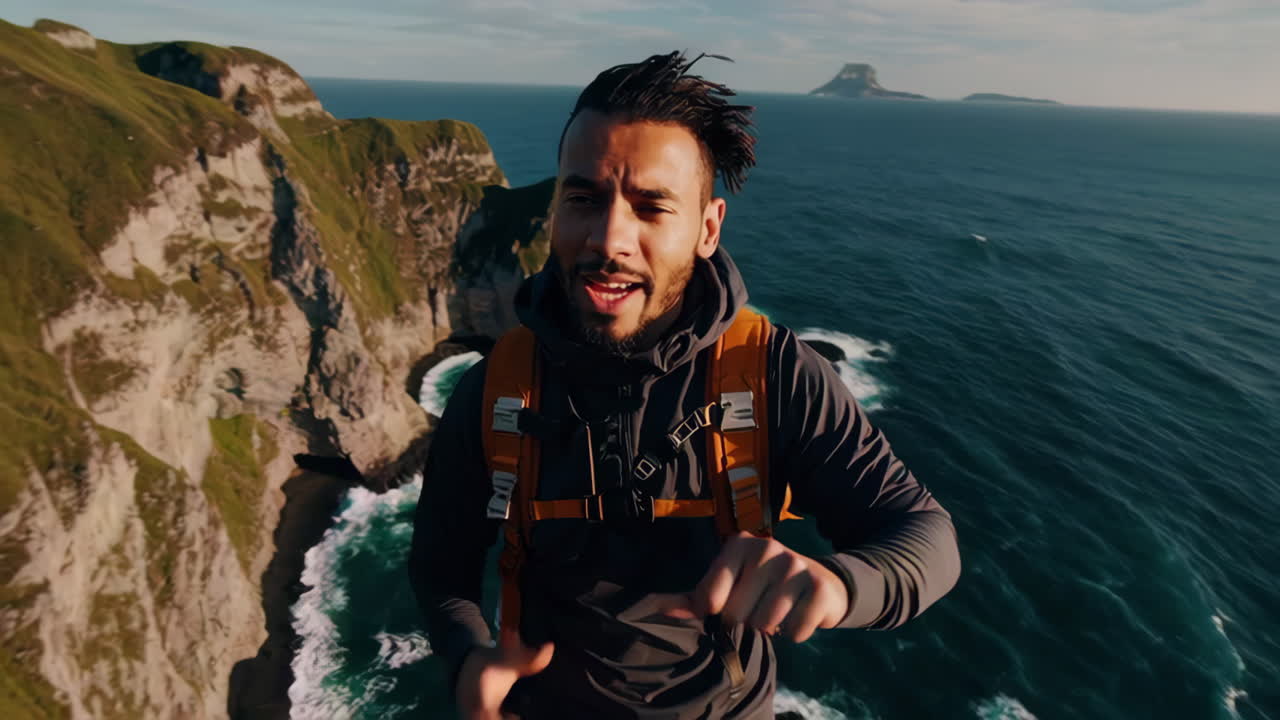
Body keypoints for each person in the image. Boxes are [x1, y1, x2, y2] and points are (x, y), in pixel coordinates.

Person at [408, 51, 961, 720]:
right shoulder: (497, 387)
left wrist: (841, 585)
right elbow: (441, 565)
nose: (609, 239)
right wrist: (469, 660)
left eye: (651, 207)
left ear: (707, 228)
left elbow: (923, 533)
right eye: (582, 198)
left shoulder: (772, 374)